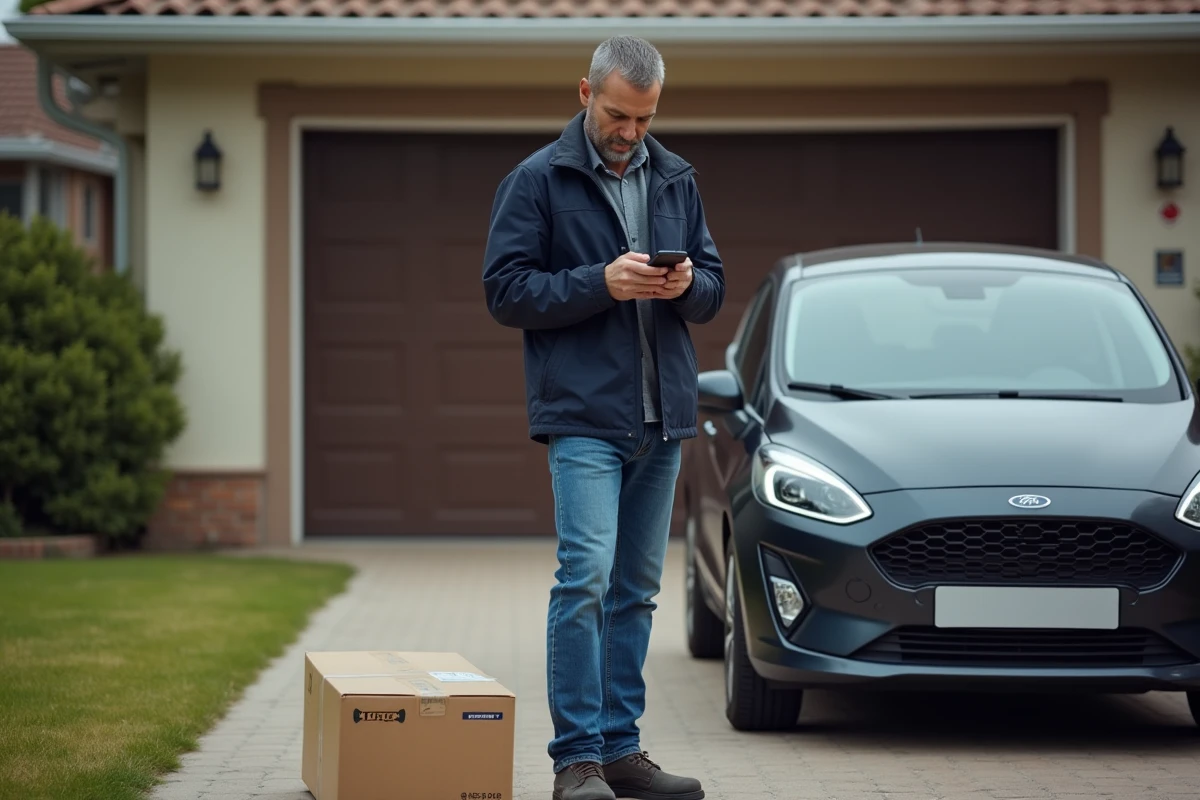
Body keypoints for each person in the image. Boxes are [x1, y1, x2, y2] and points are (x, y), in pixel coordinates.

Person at [482, 35, 724, 800]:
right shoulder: (536, 181)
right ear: (586, 94)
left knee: (637, 590)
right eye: (619, 115)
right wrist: (600, 282)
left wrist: (687, 285)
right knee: (585, 578)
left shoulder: (677, 178)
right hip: (584, 418)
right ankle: (576, 761)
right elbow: (505, 292)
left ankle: (621, 751)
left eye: (645, 119)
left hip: (663, 420)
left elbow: (714, 289)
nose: (631, 132)